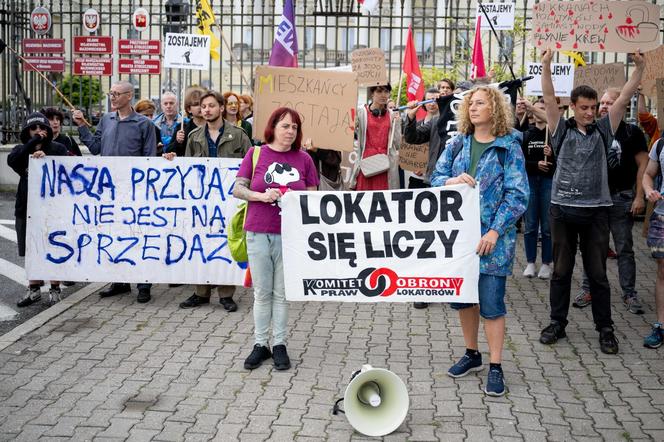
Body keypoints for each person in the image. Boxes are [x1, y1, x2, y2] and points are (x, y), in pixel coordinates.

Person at [538, 48, 645, 355]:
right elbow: (547, 98)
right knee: (561, 271)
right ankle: (557, 322)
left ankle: (606, 328)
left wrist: (638, 69)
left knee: (598, 275)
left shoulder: (603, 129)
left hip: (597, 212)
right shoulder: (560, 130)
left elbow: (624, 98)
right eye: (583, 107)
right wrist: (546, 65)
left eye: (593, 107)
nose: (589, 112)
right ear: (572, 107)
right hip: (562, 212)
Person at [430, 85, 528, 397]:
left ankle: (496, 366)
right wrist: (451, 181)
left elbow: (518, 194)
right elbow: (435, 178)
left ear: (495, 109)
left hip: (493, 241)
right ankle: (472, 354)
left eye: (480, 103)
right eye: (470, 104)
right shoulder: (458, 143)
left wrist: (495, 231)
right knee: (463, 299)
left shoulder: (508, 146)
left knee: (491, 303)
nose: (473, 108)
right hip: (459, 240)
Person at [233, 107, 319, 371]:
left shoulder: (304, 159)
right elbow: (238, 188)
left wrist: (292, 199)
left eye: (294, 127)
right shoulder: (255, 153)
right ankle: (261, 344)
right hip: (258, 231)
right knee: (262, 293)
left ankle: (279, 344)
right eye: (285, 126)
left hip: (289, 236)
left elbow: (313, 195)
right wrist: (261, 197)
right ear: (273, 127)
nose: (290, 131)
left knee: (281, 294)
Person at [72, 80, 157, 303]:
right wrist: (82, 125)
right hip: (109, 190)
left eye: (117, 94)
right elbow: (96, 147)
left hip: (134, 190)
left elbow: (150, 159)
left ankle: (144, 284)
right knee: (114, 234)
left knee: (138, 235)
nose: (112, 97)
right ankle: (120, 281)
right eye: (111, 93)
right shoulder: (106, 120)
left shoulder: (144, 125)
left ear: (129, 96)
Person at [170, 90, 252, 311]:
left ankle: (226, 294)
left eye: (211, 106)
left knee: (226, 243)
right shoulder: (194, 136)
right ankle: (201, 292)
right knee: (201, 243)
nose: (207, 110)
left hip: (229, 201)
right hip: (202, 203)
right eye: (203, 106)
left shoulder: (239, 134)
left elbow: (250, 166)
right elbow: (187, 168)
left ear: (221, 108)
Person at [572, 87, 648, 314]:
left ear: (621, 106)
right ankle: (588, 289)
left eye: (609, 103)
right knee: (592, 247)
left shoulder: (632, 133)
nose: (604, 107)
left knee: (624, 248)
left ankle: (629, 293)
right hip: (595, 200)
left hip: (621, 198)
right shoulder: (591, 129)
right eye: (601, 103)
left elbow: (643, 164)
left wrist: (639, 196)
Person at [7, 112, 69, 306]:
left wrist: (46, 157)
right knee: (30, 249)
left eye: (42, 128)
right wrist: (31, 146)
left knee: (53, 247)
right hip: (26, 207)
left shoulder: (57, 148)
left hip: (52, 209)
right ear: (27, 131)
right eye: (34, 128)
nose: (38, 131)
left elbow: (66, 167)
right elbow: (13, 160)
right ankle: (33, 289)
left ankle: (55, 288)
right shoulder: (20, 150)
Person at [521, 99, 555, 280]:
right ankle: (530, 262)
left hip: (549, 182)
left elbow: (561, 163)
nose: (540, 112)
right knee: (531, 224)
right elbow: (519, 162)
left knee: (548, 226)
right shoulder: (527, 134)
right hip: (531, 182)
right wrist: (536, 164)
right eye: (537, 109)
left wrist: (552, 155)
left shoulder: (554, 134)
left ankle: (546, 263)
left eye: (544, 109)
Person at [349, 84, 401, 191]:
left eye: (386, 91)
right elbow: (349, 131)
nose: (383, 95)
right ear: (372, 93)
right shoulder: (361, 112)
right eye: (379, 91)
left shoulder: (392, 115)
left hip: (385, 165)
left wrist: (397, 123)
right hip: (366, 164)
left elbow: (397, 143)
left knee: (383, 202)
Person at [642, 135, 664, 348]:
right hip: (662, 217)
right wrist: (649, 191)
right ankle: (661, 326)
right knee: (662, 272)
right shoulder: (660, 143)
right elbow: (648, 174)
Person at [165, 86, 206, 157]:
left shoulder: (213, 126)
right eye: (196, 104)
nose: (200, 107)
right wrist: (177, 142)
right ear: (189, 109)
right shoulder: (182, 128)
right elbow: (169, 151)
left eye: (203, 104)